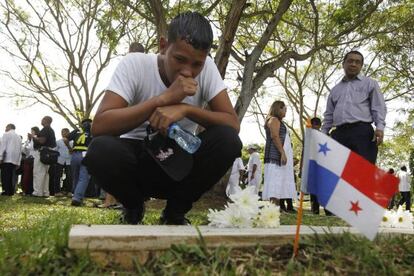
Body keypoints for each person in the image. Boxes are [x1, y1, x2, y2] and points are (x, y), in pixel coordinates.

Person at [83, 11, 241, 225]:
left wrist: (186, 110)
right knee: (100, 149)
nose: (188, 71)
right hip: (135, 160)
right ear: (163, 45)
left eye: (197, 64)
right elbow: (100, 125)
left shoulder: (208, 69)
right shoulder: (135, 64)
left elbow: (232, 123)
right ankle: (133, 207)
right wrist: (162, 100)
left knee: (228, 140)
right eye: (179, 59)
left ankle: (174, 213)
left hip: (179, 162)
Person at [321, 50, 387, 164]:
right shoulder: (335, 90)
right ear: (343, 64)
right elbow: (329, 114)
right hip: (338, 135)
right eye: (350, 61)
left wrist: (380, 128)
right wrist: (323, 133)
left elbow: (378, 106)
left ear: (361, 66)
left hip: (362, 134)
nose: (353, 64)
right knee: (338, 172)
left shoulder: (370, 84)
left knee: (363, 172)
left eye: (357, 62)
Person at [262, 101, 297, 212]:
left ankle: (276, 209)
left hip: (278, 158)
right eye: (284, 109)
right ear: (278, 108)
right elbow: (275, 136)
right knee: (274, 183)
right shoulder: (274, 120)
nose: (286, 111)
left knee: (278, 183)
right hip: (275, 157)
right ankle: (273, 209)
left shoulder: (277, 120)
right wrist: (282, 152)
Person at [29, 116, 56, 197]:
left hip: (42, 152)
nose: (41, 120)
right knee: (45, 174)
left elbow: (42, 140)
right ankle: (45, 192)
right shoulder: (51, 130)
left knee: (38, 172)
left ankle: (37, 192)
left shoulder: (45, 129)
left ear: (46, 120)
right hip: (48, 152)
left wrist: (33, 137)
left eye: (42, 119)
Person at [70, 119, 93, 206]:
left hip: (75, 154)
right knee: (84, 177)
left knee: (75, 177)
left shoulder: (76, 131)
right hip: (86, 154)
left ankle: (75, 196)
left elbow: (65, 139)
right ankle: (77, 198)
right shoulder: (93, 132)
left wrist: (70, 148)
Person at [0, 124, 22, 196]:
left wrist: (0, 157)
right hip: (15, 159)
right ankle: (11, 191)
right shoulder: (19, 137)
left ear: (9, 127)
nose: (5, 128)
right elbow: (20, 150)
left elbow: (3, 146)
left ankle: (6, 191)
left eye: (6, 127)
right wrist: (18, 161)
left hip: (7, 158)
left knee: (5, 175)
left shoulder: (6, 134)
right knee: (11, 175)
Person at [21, 126, 40, 195]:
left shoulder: (37, 138)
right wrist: (28, 140)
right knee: (26, 175)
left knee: (32, 175)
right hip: (28, 159)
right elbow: (23, 150)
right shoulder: (30, 140)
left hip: (35, 159)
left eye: (32, 131)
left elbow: (32, 148)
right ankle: (25, 190)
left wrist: (32, 138)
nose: (31, 133)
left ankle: (31, 190)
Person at [54, 128, 72, 196]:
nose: (63, 134)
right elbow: (55, 150)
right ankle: (57, 191)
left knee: (69, 176)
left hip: (69, 161)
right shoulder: (58, 141)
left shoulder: (72, 141)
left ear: (68, 133)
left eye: (65, 132)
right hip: (59, 160)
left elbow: (72, 151)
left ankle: (69, 191)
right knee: (58, 176)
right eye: (62, 132)